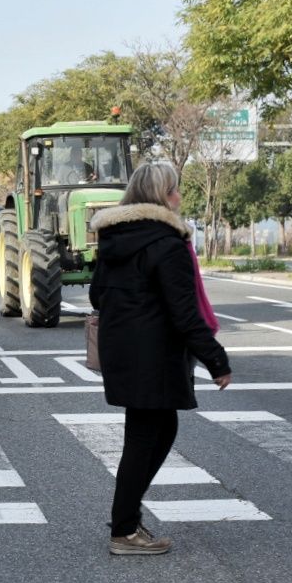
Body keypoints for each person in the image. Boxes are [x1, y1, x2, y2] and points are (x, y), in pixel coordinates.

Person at [88, 160, 231, 556]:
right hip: (153, 354)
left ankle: (126, 515)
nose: (179, 197)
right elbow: (185, 313)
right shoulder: (168, 245)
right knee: (144, 437)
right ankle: (124, 529)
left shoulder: (113, 239)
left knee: (160, 430)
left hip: (125, 350)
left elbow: (97, 296)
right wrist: (217, 360)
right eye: (175, 190)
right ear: (161, 197)